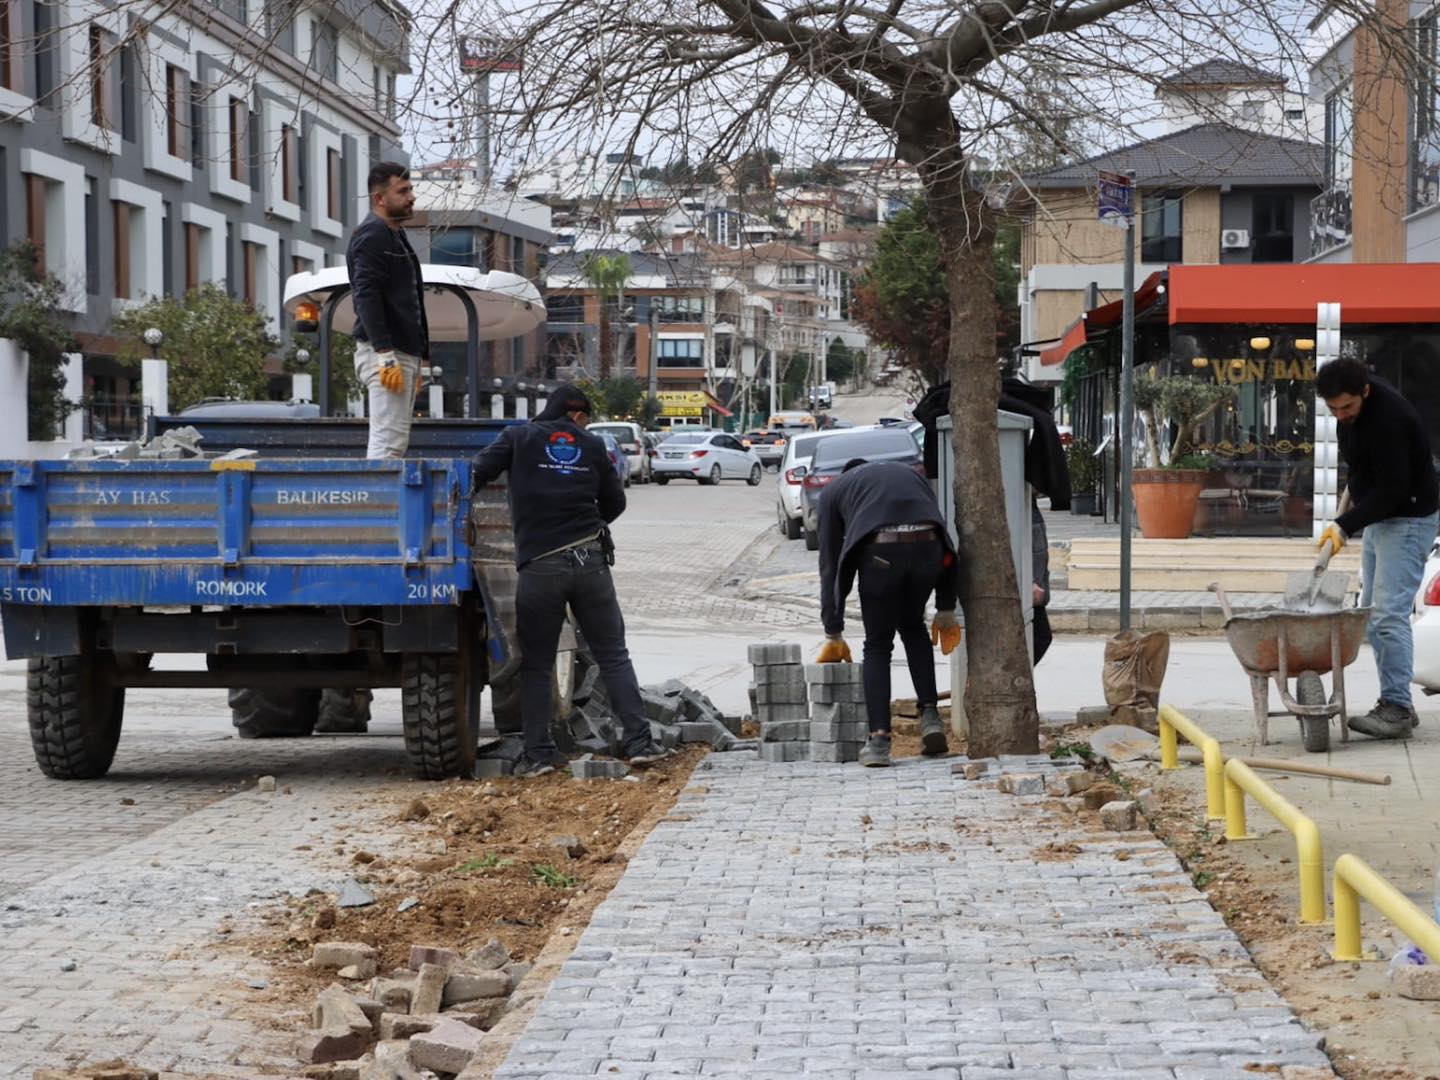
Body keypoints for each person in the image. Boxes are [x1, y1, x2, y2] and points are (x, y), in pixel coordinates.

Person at [472, 384, 669, 777]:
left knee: (536, 664)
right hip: (590, 563)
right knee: (613, 654)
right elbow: (616, 503)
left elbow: (475, 473)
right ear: (578, 416)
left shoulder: (518, 437)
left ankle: (540, 755)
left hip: (540, 568)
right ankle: (640, 743)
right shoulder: (593, 446)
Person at [1316, 358, 1440, 739]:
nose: (1341, 415)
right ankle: (1395, 699)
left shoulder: (1389, 419)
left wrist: (1345, 526)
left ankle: (1398, 708)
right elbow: (1361, 467)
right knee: (1372, 613)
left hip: (1407, 518)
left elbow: (1393, 490)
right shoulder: (1352, 410)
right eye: (1333, 409)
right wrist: (1347, 506)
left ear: (1364, 391)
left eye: (1347, 407)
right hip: (1380, 517)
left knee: (1389, 615)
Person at [815, 458, 962, 768]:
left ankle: (880, 741)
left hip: (882, 557)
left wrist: (834, 630)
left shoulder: (833, 493)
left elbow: (830, 565)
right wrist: (946, 607)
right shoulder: (910, 475)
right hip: (929, 552)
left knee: (878, 645)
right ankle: (931, 718)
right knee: (912, 626)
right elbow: (939, 528)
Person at [347, 161, 429, 459]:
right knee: (388, 443)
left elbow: (412, 297)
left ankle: (381, 503)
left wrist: (422, 356)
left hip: (397, 351)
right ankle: (376, 504)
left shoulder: (392, 234)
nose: (411, 197)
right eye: (403, 190)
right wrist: (384, 352)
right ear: (380, 199)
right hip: (386, 352)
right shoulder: (374, 236)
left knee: (393, 441)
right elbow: (365, 294)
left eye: (411, 189)